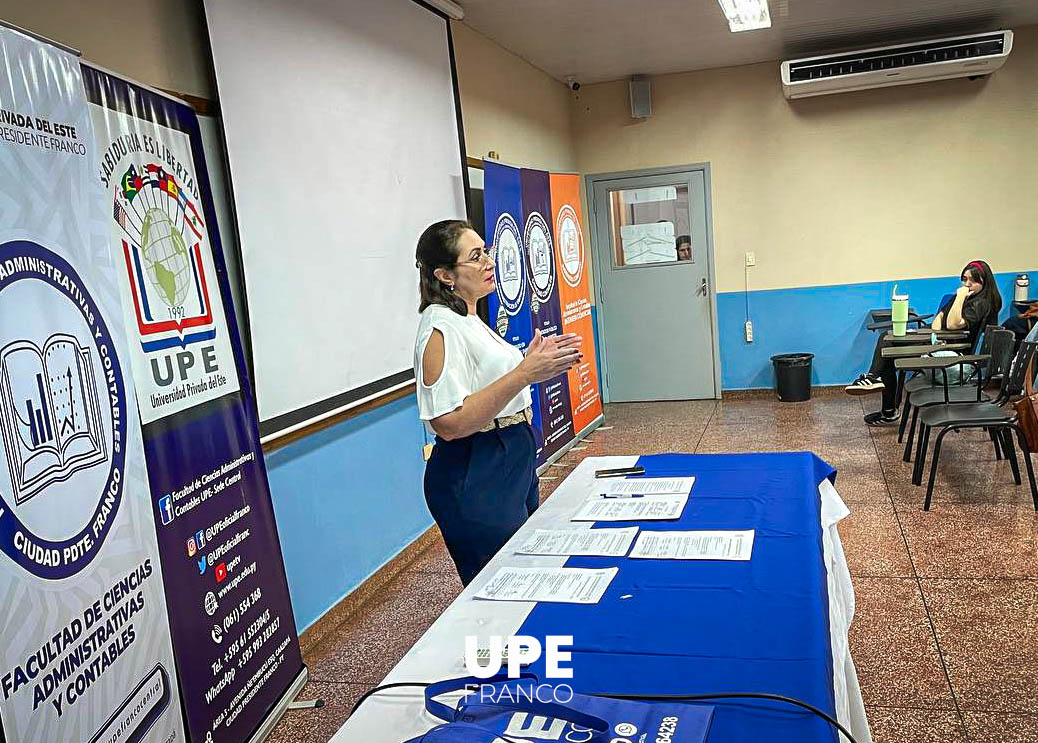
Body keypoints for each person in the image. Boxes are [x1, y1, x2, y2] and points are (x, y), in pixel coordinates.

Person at [414, 220, 582, 585]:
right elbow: (448, 423)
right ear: (445, 275)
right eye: (475, 257)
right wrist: (523, 374)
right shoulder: (440, 327)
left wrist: (532, 366)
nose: (489, 262)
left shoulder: (469, 318)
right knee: (503, 583)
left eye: (486, 251)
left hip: (510, 455)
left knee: (525, 571)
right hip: (476, 466)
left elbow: (493, 386)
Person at [845, 260, 1002, 426]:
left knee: (887, 347)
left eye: (973, 280)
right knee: (886, 340)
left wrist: (961, 297)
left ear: (985, 282)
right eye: (964, 279)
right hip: (937, 343)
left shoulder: (981, 303)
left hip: (952, 355)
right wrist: (952, 309)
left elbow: (952, 324)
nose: (967, 284)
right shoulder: (960, 298)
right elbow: (937, 322)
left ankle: (883, 397)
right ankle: (877, 385)